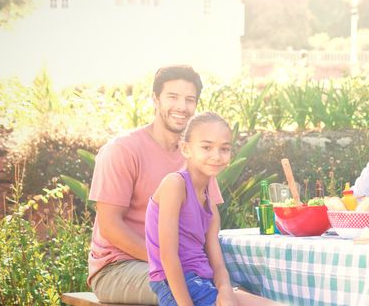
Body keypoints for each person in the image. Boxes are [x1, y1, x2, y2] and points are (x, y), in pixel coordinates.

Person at [88, 65, 223, 304]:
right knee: (194, 289)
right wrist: (170, 262)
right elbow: (109, 225)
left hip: (182, 264)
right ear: (155, 99)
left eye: (189, 99)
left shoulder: (197, 155)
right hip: (118, 268)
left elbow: (209, 219)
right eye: (173, 97)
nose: (182, 106)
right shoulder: (121, 150)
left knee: (237, 289)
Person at [145, 112, 275, 306]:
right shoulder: (175, 184)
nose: (216, 156)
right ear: (186, 149)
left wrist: (225, 291)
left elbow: (218, 264)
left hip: (204, 283)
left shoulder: (211, 206)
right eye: (206, 147)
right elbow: (168, 256)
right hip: (177, 286)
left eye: (224, 149)